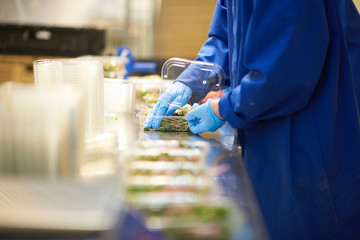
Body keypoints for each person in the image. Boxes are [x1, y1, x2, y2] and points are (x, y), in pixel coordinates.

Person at [144, 0, 360, 239]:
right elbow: (227, 36)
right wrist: (193, 79)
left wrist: (225, 107)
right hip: (268, 122)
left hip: (311, 133)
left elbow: (284, 68)